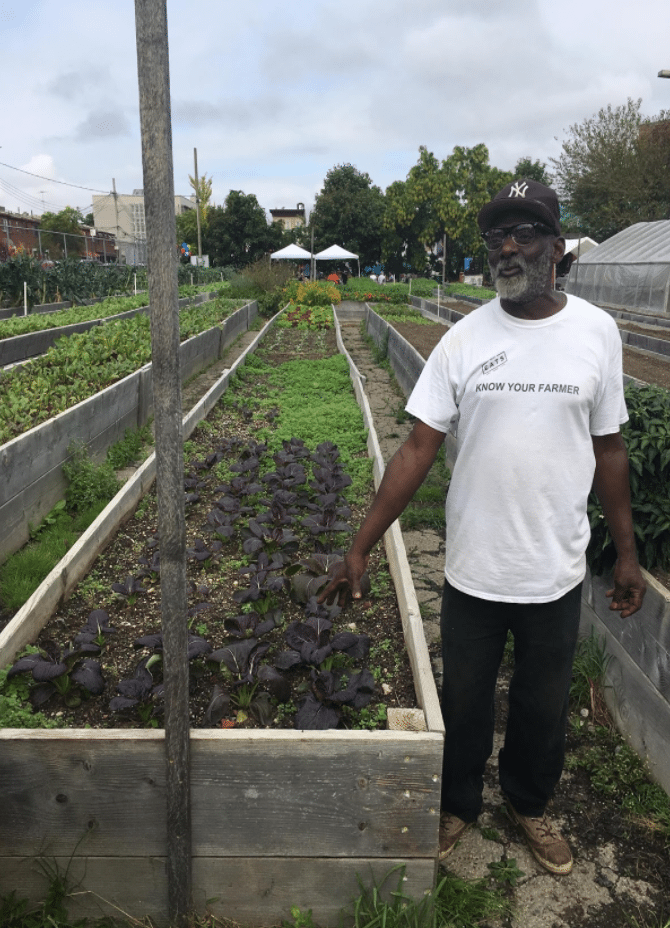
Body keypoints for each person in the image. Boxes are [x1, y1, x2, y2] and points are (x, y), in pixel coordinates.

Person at [319, 178, 646, 876]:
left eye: (525, 231)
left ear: (558, 248)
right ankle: (459, 804)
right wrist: (360, 545)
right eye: (498, 232)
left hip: (555, 570)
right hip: (474, 568)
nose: (507, 244)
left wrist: (626, 552)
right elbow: (416, 447)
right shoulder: (464, 339)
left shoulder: (595, 333)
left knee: (541, 704)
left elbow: (609, 447)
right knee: (464, 700)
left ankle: (530, 804)